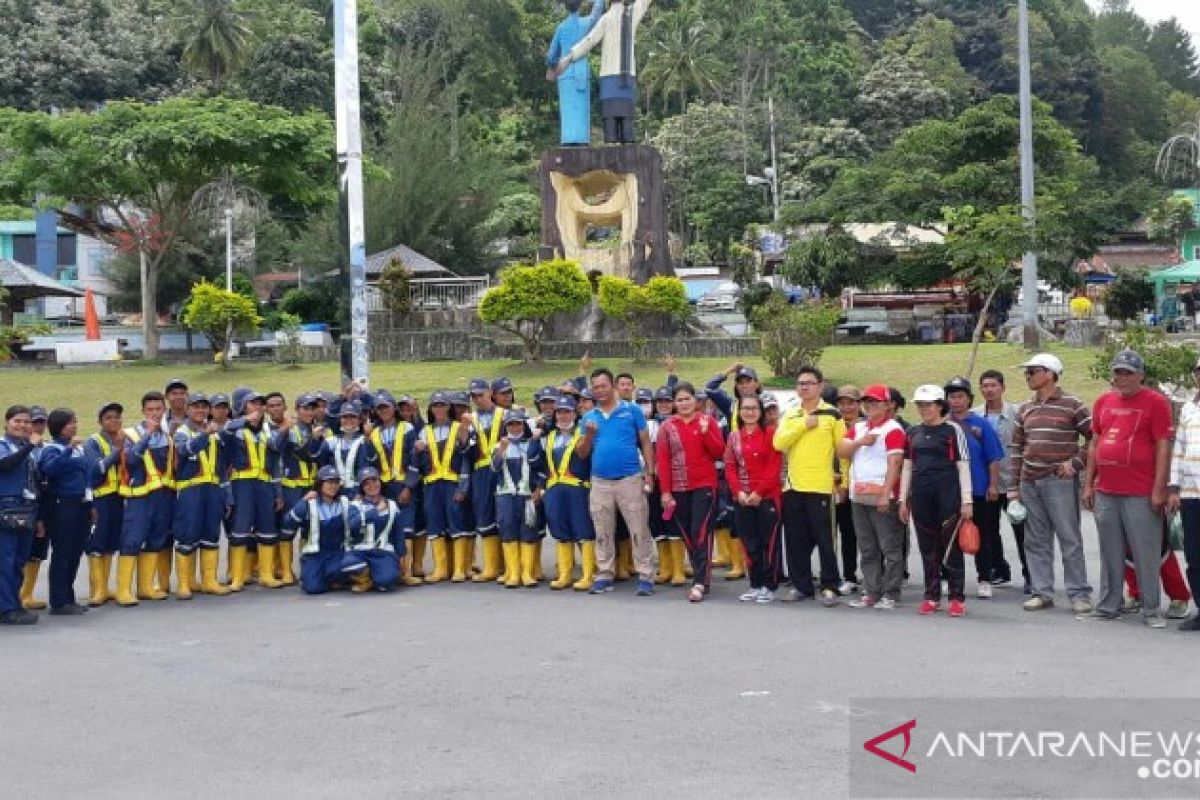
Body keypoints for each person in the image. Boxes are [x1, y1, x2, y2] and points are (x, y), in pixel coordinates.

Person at [1084, 349, 1172, 628]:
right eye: (1118, 372)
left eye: (1128, 373)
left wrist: (1159, 489)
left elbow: (1162, 446)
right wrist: (1089, 484)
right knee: (1109, 550)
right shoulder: (1103, 402)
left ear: (1141, 375)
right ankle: (1109, 604)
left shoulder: (1156, 403)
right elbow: (1094, 444)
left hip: (1141, 491)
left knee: (1145, 552)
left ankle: (1151, 609)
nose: (1122, 378)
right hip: (1107, 490)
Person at [1010, 353, 1094, 614]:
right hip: (1030, 482)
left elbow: (1094, 439)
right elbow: (1016, 448)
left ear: (1049, 373)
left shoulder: (1073, 405)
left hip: (1059, 481)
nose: (1027, 376)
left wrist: (1076, 464)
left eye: (1032, 371)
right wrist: (1014, 487)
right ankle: (1042, 592)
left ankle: (1079, 594)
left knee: (1069, 538)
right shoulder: (1025, 408)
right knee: (1035, 541)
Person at [576, 367, 657, 596]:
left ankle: (646, 575)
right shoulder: (589, 417)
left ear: (613, 385)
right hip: (600, 481)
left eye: (603, 386)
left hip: (630, 478)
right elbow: (581, 453)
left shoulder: (632, 411)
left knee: (639, 527)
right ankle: (604, 574)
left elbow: (645, 443)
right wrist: (590, 435)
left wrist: (649, 473)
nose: (599, 391)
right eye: (595, 387)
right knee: (602, 529)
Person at [773, 365, 846, 607]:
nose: (804, 387)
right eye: (800, 383)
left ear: (820, 386)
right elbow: (779, 443)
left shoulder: (832, 414)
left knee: (825, 540)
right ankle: (800, 585)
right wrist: (804, 424)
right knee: (795, 541)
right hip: (793, 487)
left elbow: (842, 451)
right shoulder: (791, 414)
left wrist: (843, 481)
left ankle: (829, 586)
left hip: (821, 487)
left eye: (809, 383)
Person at [898, 385, 973, 617]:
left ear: (940, 406)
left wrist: (967, 500)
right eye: (920, 405)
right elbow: (907, 466)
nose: (924, 409)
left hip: (948, 495)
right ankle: (931, 596)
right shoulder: (912, 432)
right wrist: (903, 499)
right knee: (927, 548)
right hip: (921, 496)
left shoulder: (953, 431)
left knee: (951, 548)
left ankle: (957, 597)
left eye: (928, 405)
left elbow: (963, 465)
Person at [837, 384, 906, 610]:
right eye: (866, 402)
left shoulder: (893, 429)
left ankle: (891, 593)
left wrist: (887, 493)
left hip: (882, 496)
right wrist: (859, 442)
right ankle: (871, 590)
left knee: (890, 547)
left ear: (887, 405)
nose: (870, 405)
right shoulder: (859, 427)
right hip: (860, 496)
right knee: (867, 547)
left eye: (875, 402)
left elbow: (895, 463)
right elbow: (841, 452)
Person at [656, 382, 726, 602]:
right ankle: (700, 573)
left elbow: (719, 452)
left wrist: (706, 434)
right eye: (680, 400)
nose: (684, 403)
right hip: (678, 488)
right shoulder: (667, 426)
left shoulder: (708, 421)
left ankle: (699, 581)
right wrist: (665, 492)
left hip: (703, 485)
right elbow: (663, 461)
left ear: (696, 401)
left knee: (701, 531)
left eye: (688, 399)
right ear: (675, 403)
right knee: (687, 534)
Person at [944, 377, 1004, 600]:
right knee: (948, 536)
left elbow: (994, 458)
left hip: (979, 488)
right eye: (952, 396)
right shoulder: (944, 425)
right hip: (950, 490)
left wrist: (993, 485)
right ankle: (949, 577)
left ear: (969, 399)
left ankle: (984, 579)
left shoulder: (981, 424)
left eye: (960, 396)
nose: (956, 401)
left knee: (983, 536)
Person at [531, 395, 596, 591]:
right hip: (554, 490)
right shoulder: (549, 437)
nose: (563, 416)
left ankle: (588, 574)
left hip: (577, 488)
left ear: (575, 414)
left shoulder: (581, 435)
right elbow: (536, 463)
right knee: (560, 530)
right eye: (560, 412)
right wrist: (536, 438)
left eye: (567, 411)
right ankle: (565, 574)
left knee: (583, 530)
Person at [117, 391, 175, 605]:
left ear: (164, 410)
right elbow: (131, 461)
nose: (155, 414)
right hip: (139, 497)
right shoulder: (131, 434)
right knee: (132, 540)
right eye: (150, 410)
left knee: (156, 539)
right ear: (142, 411)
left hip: (163, 496)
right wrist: (147, 435)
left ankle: (145, 587)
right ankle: (123, 590)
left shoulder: (167, 437)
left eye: (158, 409)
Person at [223, 388, 283, 591]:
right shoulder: (235, 429)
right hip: (242, 485)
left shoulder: (269, 430)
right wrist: (245, 420)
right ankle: (238, 577)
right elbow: (224, 433)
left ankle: (266, 575)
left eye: (259, 403)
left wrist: (278, 492)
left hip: (265, 485)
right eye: (252, 403)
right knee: (240, 529)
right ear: (243, 407)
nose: (257, 407)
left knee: (268, 528)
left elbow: (276, 464)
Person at [724, 395, 782, 603]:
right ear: (739, 412)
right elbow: (730, 467)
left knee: (769, 543)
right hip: (742, 499)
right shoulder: (734, 437)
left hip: (766, 497)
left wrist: (758, 492)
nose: (749, 412)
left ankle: (770, 585)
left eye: (754, 408)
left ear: (761, 411)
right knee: (750, 544)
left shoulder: (771, 434)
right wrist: (738, 492)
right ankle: (755, 584)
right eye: (745, 408)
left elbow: (774, 467)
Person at [973, 369, 1027, 591]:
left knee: (1022, 530)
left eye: (993, 385)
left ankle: (1031, 574)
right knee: (988, 530)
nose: (989, 390)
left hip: (1013, 481)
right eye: (984, 386)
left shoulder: (1018, 412)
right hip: (986, 483)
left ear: (1003, 388)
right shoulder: (974, 415)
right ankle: (998, 569)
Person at [171, 393, 229, 598]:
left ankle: (209, 581)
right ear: (187, 409)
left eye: (204, 407)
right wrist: (205, 435)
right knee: (188, 534)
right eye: (196, 407)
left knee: (211, 535)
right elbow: (184, 450)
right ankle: (184, 584)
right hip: (191, 490)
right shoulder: (182, 431)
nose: (200, 411)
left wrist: (226, 495)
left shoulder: (215, 432)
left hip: (213, 489)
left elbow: (222, 468)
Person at [33, 409, 90, 616]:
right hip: (61, 505)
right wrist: (68, 450)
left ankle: (69, 596)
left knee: (76, 552)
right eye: (69, 423)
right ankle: (58, 601)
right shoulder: (52, 449)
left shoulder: (78, 449)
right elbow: (50, 470)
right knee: (63, 552)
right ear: (58, 427)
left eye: (75, 422)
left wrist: (90, 504)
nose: (74, 426)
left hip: (81, 503)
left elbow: (87, 476)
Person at [414, 392, 471, 583]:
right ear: (430, 409)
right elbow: (420, 463)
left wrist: (462, 488)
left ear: (449, 408)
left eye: (442, 405)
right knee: (434, 524)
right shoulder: (424, 431)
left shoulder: (458, 428)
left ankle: (459, 569)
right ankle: (440, 569)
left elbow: (465, 459)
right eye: (435, 406)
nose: (438, 409)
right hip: (431, 485)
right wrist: (418, 451)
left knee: (457, 523)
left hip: (452, 483)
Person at [283, 466, 368, 595]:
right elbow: (289, 522)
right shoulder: (309, 503)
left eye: (336, 482)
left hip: (337, 554)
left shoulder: (344, 502)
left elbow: (356, 525)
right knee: (312, 588)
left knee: (355, 563)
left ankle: (335, 577)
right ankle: (328, 579)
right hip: (314, 556)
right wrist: (303, 501)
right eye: (329, 482)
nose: (333, 486)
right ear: (320, 484)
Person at [545, 0, 607, 145]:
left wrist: (552, 65)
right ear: (579, 5)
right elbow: (597, 11)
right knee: (581, 109)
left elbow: (551, 55)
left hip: (564, 73)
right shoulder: (586, 24)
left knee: (567, 110)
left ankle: (567, 139)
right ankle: (581, 140)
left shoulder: (561, 28)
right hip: (581, 72)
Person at [1168, 355, 1200, 631]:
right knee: (1194, 555)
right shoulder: (1189, 408)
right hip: (1191, 495)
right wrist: (1174, 487)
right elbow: (1178, 448)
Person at [492, 409, 541, 588]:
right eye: (510, 424)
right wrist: (502, 451)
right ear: (505, 427)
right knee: (508, 531)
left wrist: (539, 490)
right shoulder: (499, 445)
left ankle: (527, 572)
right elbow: (494, 469)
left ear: (524, 425)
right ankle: (512, 573)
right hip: (506, 496)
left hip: (527, 495)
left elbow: (541, 469)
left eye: (518, 423)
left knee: (528, 531)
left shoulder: (532, 444)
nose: (514, 427)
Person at [0, 406, 40, 625]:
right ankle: (6, 609)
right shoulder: (3, 445)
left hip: (27, 508)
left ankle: (14, 603)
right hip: (6, 507)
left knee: (18, 561)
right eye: (18, 421)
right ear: (7, 422)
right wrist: (30, 446)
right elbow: (6, 465)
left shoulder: (27, 448)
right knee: (4, 561)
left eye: (27, 422)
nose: (23, 425)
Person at [83, 402, 124, 606]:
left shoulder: (125, 439)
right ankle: (97, 589)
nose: (113, 421)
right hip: (100, 498)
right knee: (97, 543)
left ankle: (106, 587)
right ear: (100, 421)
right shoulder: (93, 442)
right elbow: (96, 469)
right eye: (108, 418)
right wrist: (117, 451)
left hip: (118, 498)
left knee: (111, 544)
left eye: (117, 417)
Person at [465, 379, 504, 583]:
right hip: (480, 471)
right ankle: (490, 566)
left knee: (505, 515)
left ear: (490, 393)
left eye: (480, 394)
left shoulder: (504, 414)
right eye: (474, 396)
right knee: (484, 514)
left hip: (503, 470)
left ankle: (507, 565)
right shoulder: (470, 419)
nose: (477, 399)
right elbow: (465, 450)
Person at [352, 467, 403, 592]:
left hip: (384, 552)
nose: (372, 485)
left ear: (380, 482)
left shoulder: (391, 504)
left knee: (386, 582)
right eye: (366, 483)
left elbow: (398, 533)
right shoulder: (355, 505)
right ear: (362, 488)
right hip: (361, 552)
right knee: (346, 564)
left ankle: (375, 576)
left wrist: (402, 555)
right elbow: (353, 524)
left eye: (375, 481)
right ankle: (365, 580)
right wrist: (375, 511)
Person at [833, 385, 862, 594]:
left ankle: (876, 576)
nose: (846, 406)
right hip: (838, 487)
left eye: (850, 402)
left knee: (870, 536)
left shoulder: (866, 425)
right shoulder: (833, 424)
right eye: (842, 402)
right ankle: (848, 576)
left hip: (863, 486)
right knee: (846, 534)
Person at [20, 406, 48, 611]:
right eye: (34, 422)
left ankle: (26, 594)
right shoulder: (19, 447)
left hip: (42, 504)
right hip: (21, 505)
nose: (38, 427)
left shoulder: (45, 447)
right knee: (18, 552)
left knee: (37, 551)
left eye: (41, 422)